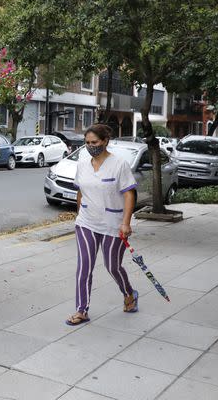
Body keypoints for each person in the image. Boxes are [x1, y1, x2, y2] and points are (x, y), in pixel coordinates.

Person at [66, 123, 138, 326]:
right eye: (87, 143)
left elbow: (129, 194)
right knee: (84, 267)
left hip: (113, 224)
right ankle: (82, 310)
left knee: (112, 266)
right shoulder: (82, 164)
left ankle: (129, 293)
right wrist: (79, 214)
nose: (90, 146)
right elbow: (80, 191)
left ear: (105, 141)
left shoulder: (119, 165)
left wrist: (126, 223)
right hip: (86, 222)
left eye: (94, 142)